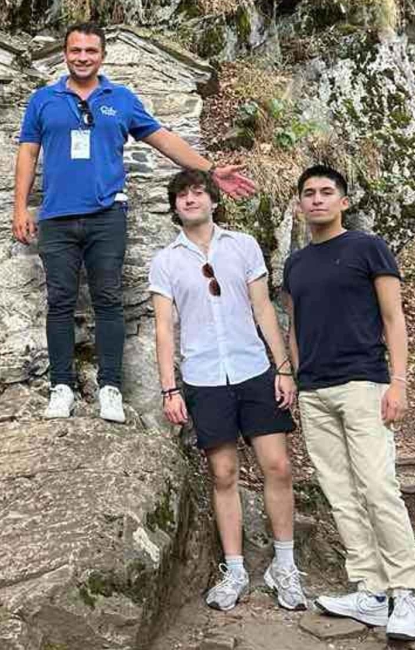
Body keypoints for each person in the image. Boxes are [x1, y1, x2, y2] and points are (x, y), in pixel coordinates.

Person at [12, 22, 255, 423]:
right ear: (65, 54)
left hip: (107, 217)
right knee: (59, 302)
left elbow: (164, 139)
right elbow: (27, 154)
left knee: (108, 300)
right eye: (76, 50)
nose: (83, 57)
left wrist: (211, 170)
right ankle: (61, 387)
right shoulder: (43, 100)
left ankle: (110, 387)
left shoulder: (120, 99)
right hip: (56, 218)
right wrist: (20, 208)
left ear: (102, 56)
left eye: (91, 51)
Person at [150, 169, 305, 613]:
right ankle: (235, 569)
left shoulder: (243, 246)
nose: (190, 200)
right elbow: (165, 329)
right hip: (203, 378)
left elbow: (263, 308)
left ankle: (285, 566)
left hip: (254, 369)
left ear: (214, 200)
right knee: (223, 474)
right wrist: (169, 389)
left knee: (277, 465)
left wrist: (283, 368)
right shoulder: (166, 261)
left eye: (198, 192)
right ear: (174, 207)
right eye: (182, 195)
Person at [282, 165, 415, 641]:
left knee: (379, 487)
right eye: (309, 193)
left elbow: (393, 317)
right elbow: (295, 326)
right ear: (300, 204)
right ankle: (369, 589)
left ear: (343, 201)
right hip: (315, 392)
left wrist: (398, 382)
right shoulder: (296, 264)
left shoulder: (368, 247)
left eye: (327, 192)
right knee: (340, 495)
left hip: (364, 384)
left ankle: (406, 592)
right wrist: (299, 377)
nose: (317, 200)